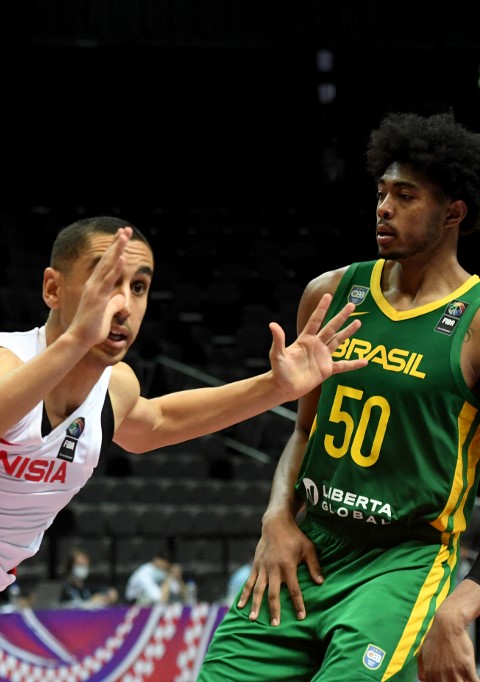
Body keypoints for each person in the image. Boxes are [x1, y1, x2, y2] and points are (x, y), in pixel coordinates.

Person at [0, 216, 367, 681]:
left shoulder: (115, 389)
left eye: (139, 286)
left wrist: (274, 387)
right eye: (107, 283)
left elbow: (156, 422)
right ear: (53, 287)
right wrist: (75, 341)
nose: (123, 305)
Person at [197, 111, 480, 681]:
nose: (384, 207)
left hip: (403, 560)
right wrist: (276, 516)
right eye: (381, 193)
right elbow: (303, 431)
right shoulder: (331, 293)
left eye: (406, 195)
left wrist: (464, 601)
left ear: (453, 212)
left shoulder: (475, 324)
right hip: (310, 543)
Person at [125, 550, 189, 606]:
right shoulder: (143, 573)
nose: (166, 566)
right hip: (134, 609)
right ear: (156, 560)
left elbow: (185, 597)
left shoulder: (163, 572)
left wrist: (179, 579)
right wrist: (170, 577)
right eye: (164, 562)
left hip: (153, 609)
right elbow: (160, 600)